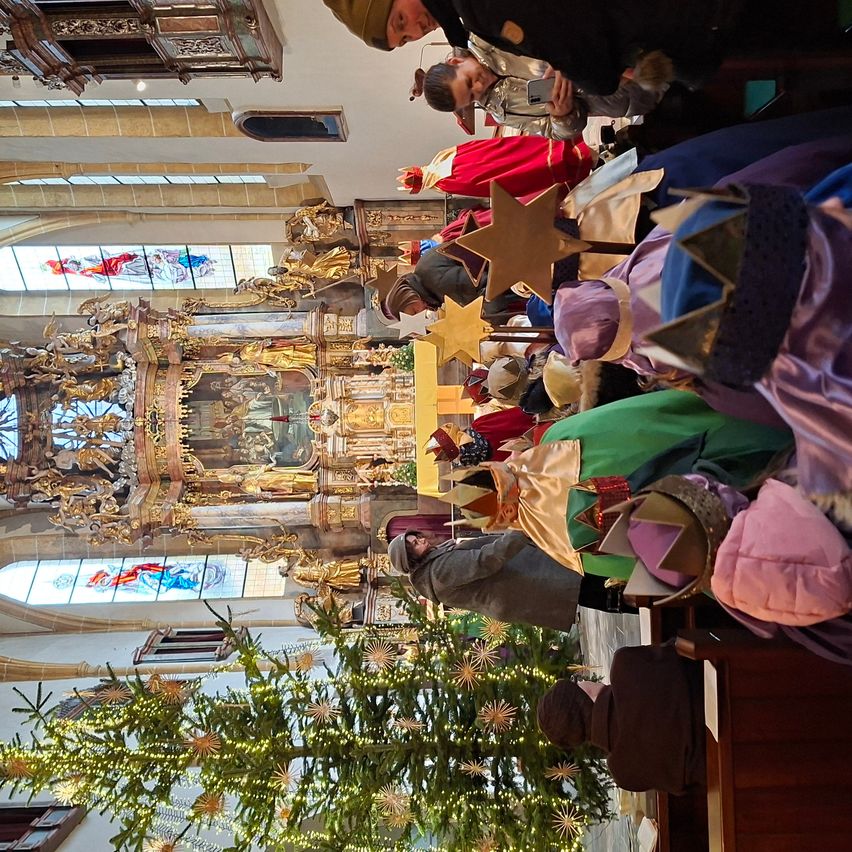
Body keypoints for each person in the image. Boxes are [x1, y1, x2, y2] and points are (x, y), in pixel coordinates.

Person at [323, 0, 844, 95]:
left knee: (814, 32)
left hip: (689, 19)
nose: (416, 28)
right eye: (406, 36)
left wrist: (590, 74)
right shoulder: (469, 18)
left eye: (400, 18)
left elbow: (580, 47)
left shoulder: (476, 10)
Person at [536, 644, 705, 794]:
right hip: (724, 680)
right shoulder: (624, 665)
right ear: (581, 696)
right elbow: (682, 651)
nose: (582, 679)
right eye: (575, 681)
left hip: (725, 763)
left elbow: (687, 787)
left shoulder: (623, 773)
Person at [422, 39, 670, 140]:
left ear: (455, 62)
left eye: (468, 81)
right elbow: (557, 132)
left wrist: (562, 56)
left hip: (628, 51)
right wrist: (562, 115)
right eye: (472, 96)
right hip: (632, 100)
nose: (479, 86)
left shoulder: (488, 38)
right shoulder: (501, 112)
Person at [387, 529, 582, 631]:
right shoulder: (439, 571)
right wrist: (519, 533)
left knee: (586, 590)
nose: (420, 540)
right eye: (414, 544)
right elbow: (484, 559)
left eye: (417, 537)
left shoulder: (432, 566)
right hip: (522, 582)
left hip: (516, 588)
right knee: (588, 587)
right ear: (411, 559)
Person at [381, 245, 517, 319]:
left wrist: (492, 321)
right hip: (505, 269)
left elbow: (486, 284)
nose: (422, 313)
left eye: (415, 311)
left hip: (510, 270)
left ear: (406, 296)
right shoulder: (426, 281)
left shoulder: (436, 281)